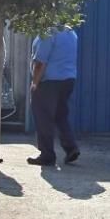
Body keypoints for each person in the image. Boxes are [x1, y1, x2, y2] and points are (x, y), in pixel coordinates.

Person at [28, 26, 80, 166]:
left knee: (43, 116)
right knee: (60, 114)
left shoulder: (49, 32)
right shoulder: (71, 33)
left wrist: (34, 83)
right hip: (68, 79)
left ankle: (47, 155)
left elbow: (40, 63)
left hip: (49, 81)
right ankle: (71, 147)